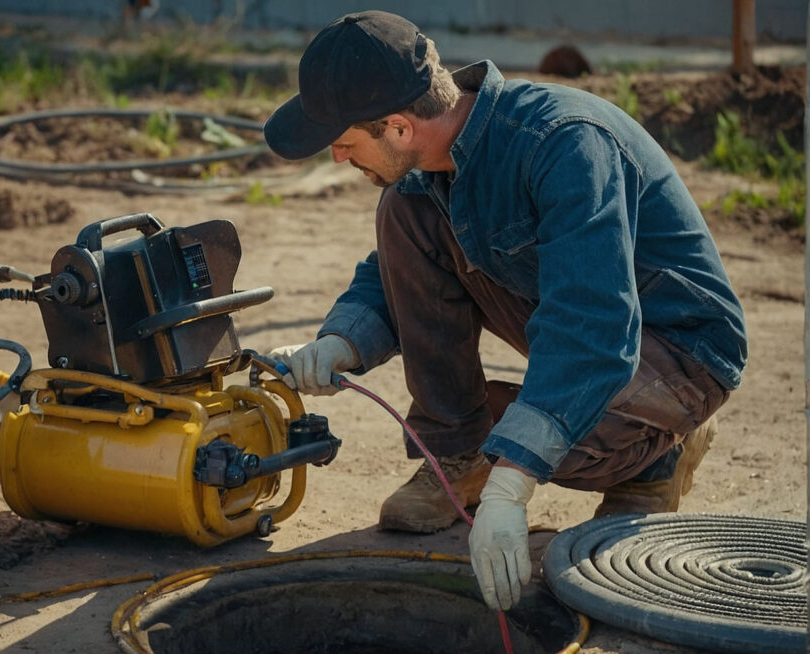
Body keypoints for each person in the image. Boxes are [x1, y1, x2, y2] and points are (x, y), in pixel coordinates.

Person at [263, 11, 747, 612]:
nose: (337, 156)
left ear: (398, 127)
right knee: (403, 212)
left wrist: (512, 483)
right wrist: (339, 344)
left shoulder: (564, 145)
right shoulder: (436, 162)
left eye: (344, 140)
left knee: (547, 439)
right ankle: (460, 456)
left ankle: (653, 458)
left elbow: (590, 330)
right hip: (596, 325)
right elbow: (393, 281)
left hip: (682, 350)